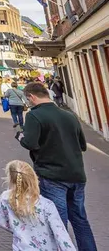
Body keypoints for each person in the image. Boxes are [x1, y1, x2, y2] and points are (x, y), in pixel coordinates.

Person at [17, 82, 96, 251]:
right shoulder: (69, 115)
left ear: (31, 97)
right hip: (77, 175)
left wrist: (20, 137)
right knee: (80, 220)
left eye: (27, 99)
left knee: (57, 221)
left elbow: (30, 142)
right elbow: (82, 145)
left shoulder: (34, 115)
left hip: (52, 175)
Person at [0, 160, 74, 250]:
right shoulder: (46, 205)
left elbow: (2, 221)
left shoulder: (5, 198)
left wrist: (18, 229)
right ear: (34, 179)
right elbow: (61, 235)